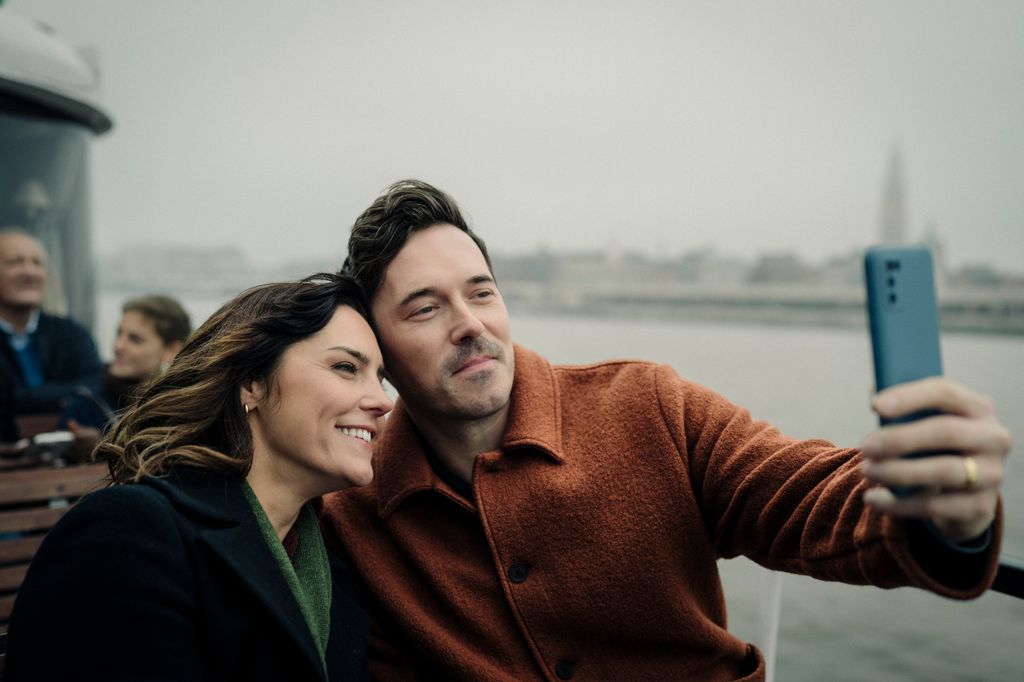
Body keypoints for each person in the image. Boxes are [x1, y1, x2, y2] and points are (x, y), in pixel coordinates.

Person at [322, 180, 1011, 681]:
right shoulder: (349, 498)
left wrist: (948, 512)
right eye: (424, 308)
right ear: (376, 349)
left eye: (481, 292)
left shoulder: (646, 404)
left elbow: (801, 494)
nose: (470, 322)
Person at [7, 273, 393, 681]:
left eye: (381, 379)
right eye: (346, 367)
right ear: (251, 382)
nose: (382, 401)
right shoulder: (129, 534)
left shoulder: (327, 563)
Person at [0, 228, 103, 441]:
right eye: (15, 262)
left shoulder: (71, 333)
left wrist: (21, 397)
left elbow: (95, 384)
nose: (30, 272)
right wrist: (66, 394)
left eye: (37, 263)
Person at [60, 293, 192, 432]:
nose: (118, 346)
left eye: (135, 339)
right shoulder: (85, 405)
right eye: (119, 334)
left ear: (172, 350)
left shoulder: (185, 405)